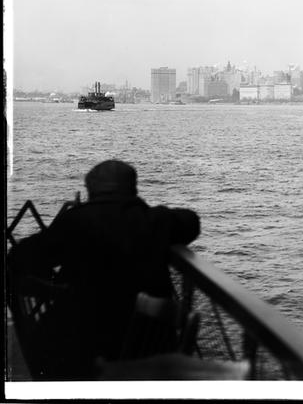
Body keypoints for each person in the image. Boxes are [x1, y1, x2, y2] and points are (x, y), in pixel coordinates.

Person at [7, 159, 200, 380]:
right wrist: (149, 210)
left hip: (80, 350)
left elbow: (21, 256)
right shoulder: (156, 220)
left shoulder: (75, 221)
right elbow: (191, 221)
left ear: (91, 190)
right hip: (147, 348)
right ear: (132, 189)